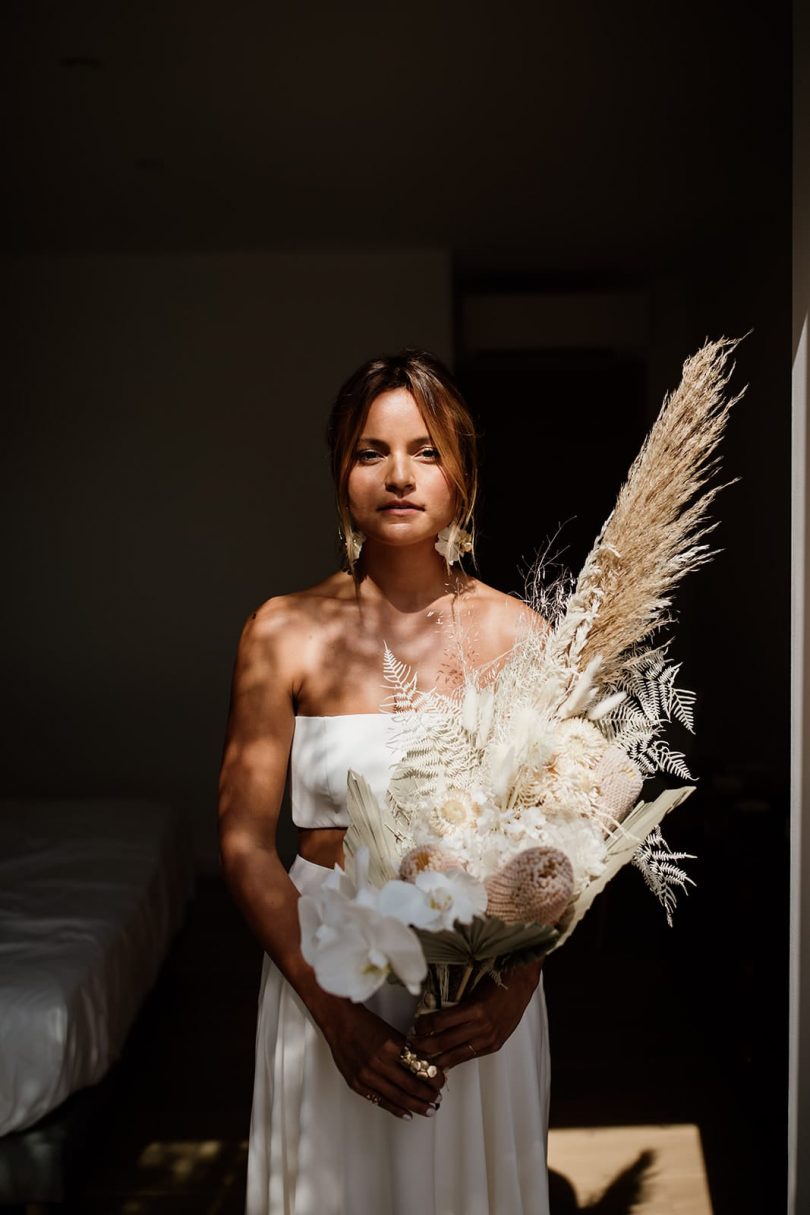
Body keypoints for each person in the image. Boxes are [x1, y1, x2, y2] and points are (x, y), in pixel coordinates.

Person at [218, 348, 552, 1215]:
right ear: (341, 471)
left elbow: (560, 847)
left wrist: (510, 995)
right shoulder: (283, 630)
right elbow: (245, 840)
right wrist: (338, 1019)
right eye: (372, 451)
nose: (399, 475)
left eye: (427, 451)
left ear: (463, 476)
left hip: (473, 1000)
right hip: (327, 971)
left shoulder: (520, 635)